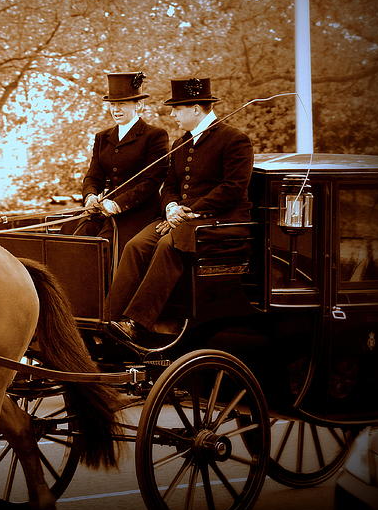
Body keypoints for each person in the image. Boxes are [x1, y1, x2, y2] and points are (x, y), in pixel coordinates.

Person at [108, 77, 254, 344]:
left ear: (196, 109)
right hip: (179, 218)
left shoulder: (235, 140)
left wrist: (190, 210)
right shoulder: (181, 144)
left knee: (169, 245)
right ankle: (112, 320)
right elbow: (170, 186)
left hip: (221, 222)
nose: (173, 115)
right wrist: (172, 206)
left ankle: (137, 323)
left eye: (177, 109)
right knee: (136, 244)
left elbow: (233, 188)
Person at [70, 72, 169, 257]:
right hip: (104, 209)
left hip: (139, 211)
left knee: (108, 245)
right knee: (76, 237)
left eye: (122, 104)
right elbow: (93, 175)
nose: (116, 109)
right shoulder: (103, 137)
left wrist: (118, 204)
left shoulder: (154, 135)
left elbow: (152, 180)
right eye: (113, 104)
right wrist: (90, 195)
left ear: (138, 105)